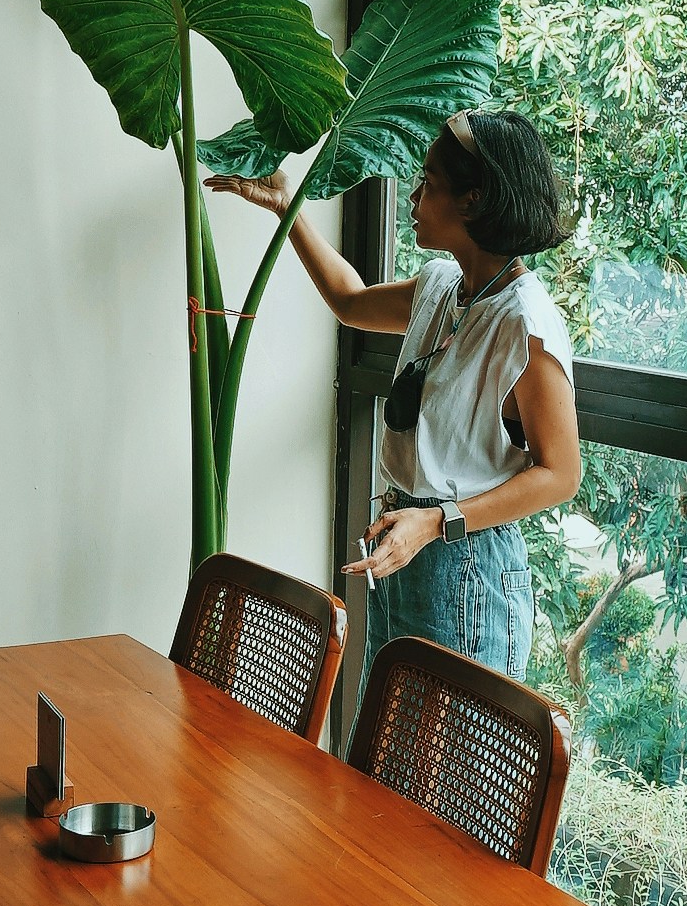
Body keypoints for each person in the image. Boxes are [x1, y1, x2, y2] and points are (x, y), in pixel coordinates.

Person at [208, 107, 580, 678]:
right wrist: (287, 209)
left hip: (466, 563)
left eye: (428, 184)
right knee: (383, 758)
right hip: (400, 549)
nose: (412, 197)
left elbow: (561, 474)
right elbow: (350, 302)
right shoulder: (441, 288)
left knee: (445, 764)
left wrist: (435, 523)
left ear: (473, 201)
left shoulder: (522, 324)